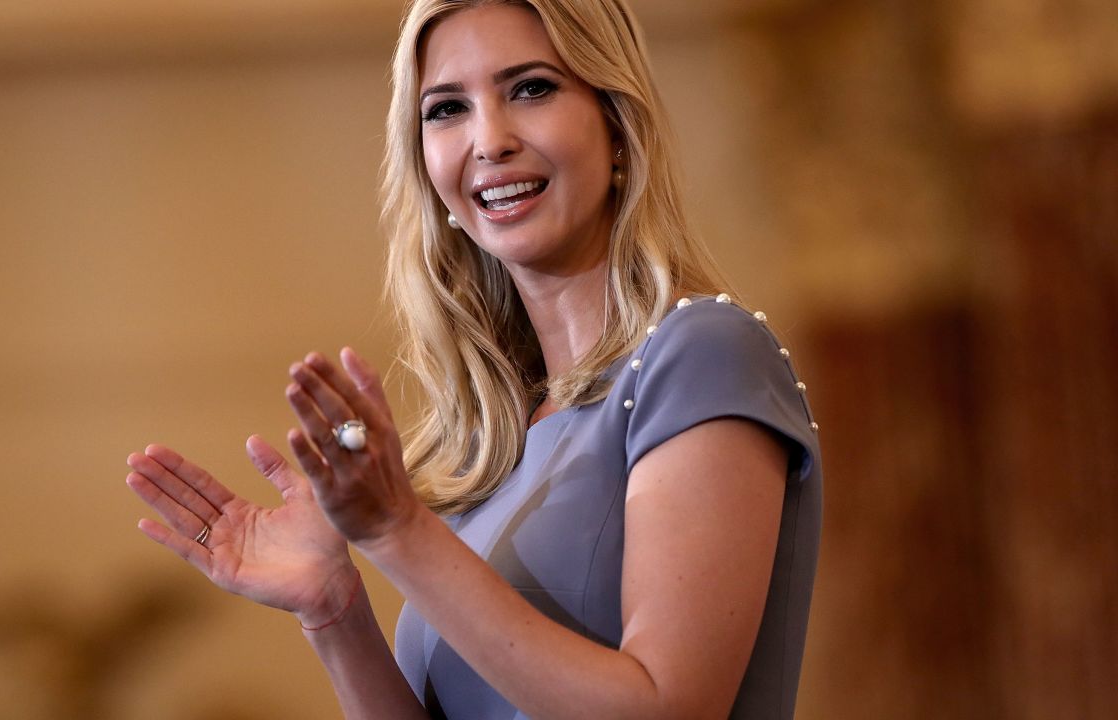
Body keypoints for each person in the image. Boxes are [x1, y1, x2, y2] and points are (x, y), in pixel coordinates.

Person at [124, 0, 822, 718]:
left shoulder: (703, 353)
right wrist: (334, 613)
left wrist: (398, 532)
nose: (489, 140)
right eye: (447, 108)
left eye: (532, 88)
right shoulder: (494, 448)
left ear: (616, 121)